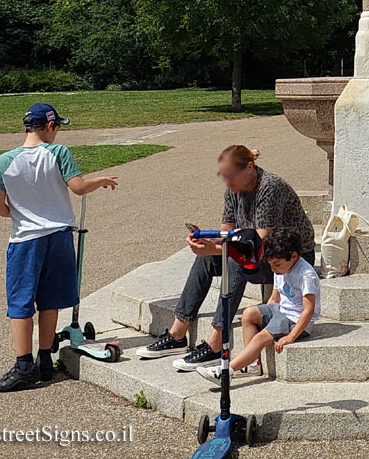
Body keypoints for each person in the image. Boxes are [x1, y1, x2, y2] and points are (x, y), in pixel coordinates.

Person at [136, 145, 315, 371]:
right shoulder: (233, 190)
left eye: (231, 176)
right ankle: (178, 332)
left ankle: (217, 342)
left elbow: (258, 245)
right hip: (262, 253)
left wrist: (217, 248)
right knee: (207, 259)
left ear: (249, 168)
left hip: (289, 259)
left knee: (234, 261)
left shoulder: (270, 187)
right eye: (224, 177)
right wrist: (206, 243)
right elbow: (226, 231)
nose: (228, 183)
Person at [0, 102, 119, 392]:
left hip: (26, 239)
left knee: (21, 302)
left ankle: (24, 366)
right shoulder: (58, 153)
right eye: (57, 127)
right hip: (58, 235)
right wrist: (101, 180)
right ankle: (45, 359)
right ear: (49, 126)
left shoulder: (4, 160)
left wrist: (20, 214)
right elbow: (79, 187)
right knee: (50, 299)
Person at [197, 227, 321, 385]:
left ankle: (225, 371)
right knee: (249, 314)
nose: (273, 269)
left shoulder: (306, 275)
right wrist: (266, 315)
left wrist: (290, 336)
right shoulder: (281, 269)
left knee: (261, 337)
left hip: (296, 319)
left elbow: (308, 310)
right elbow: (275, 296)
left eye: (276, 264)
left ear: (294, 256)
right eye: (270, 264)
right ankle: (251, 363)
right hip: (282, 310)